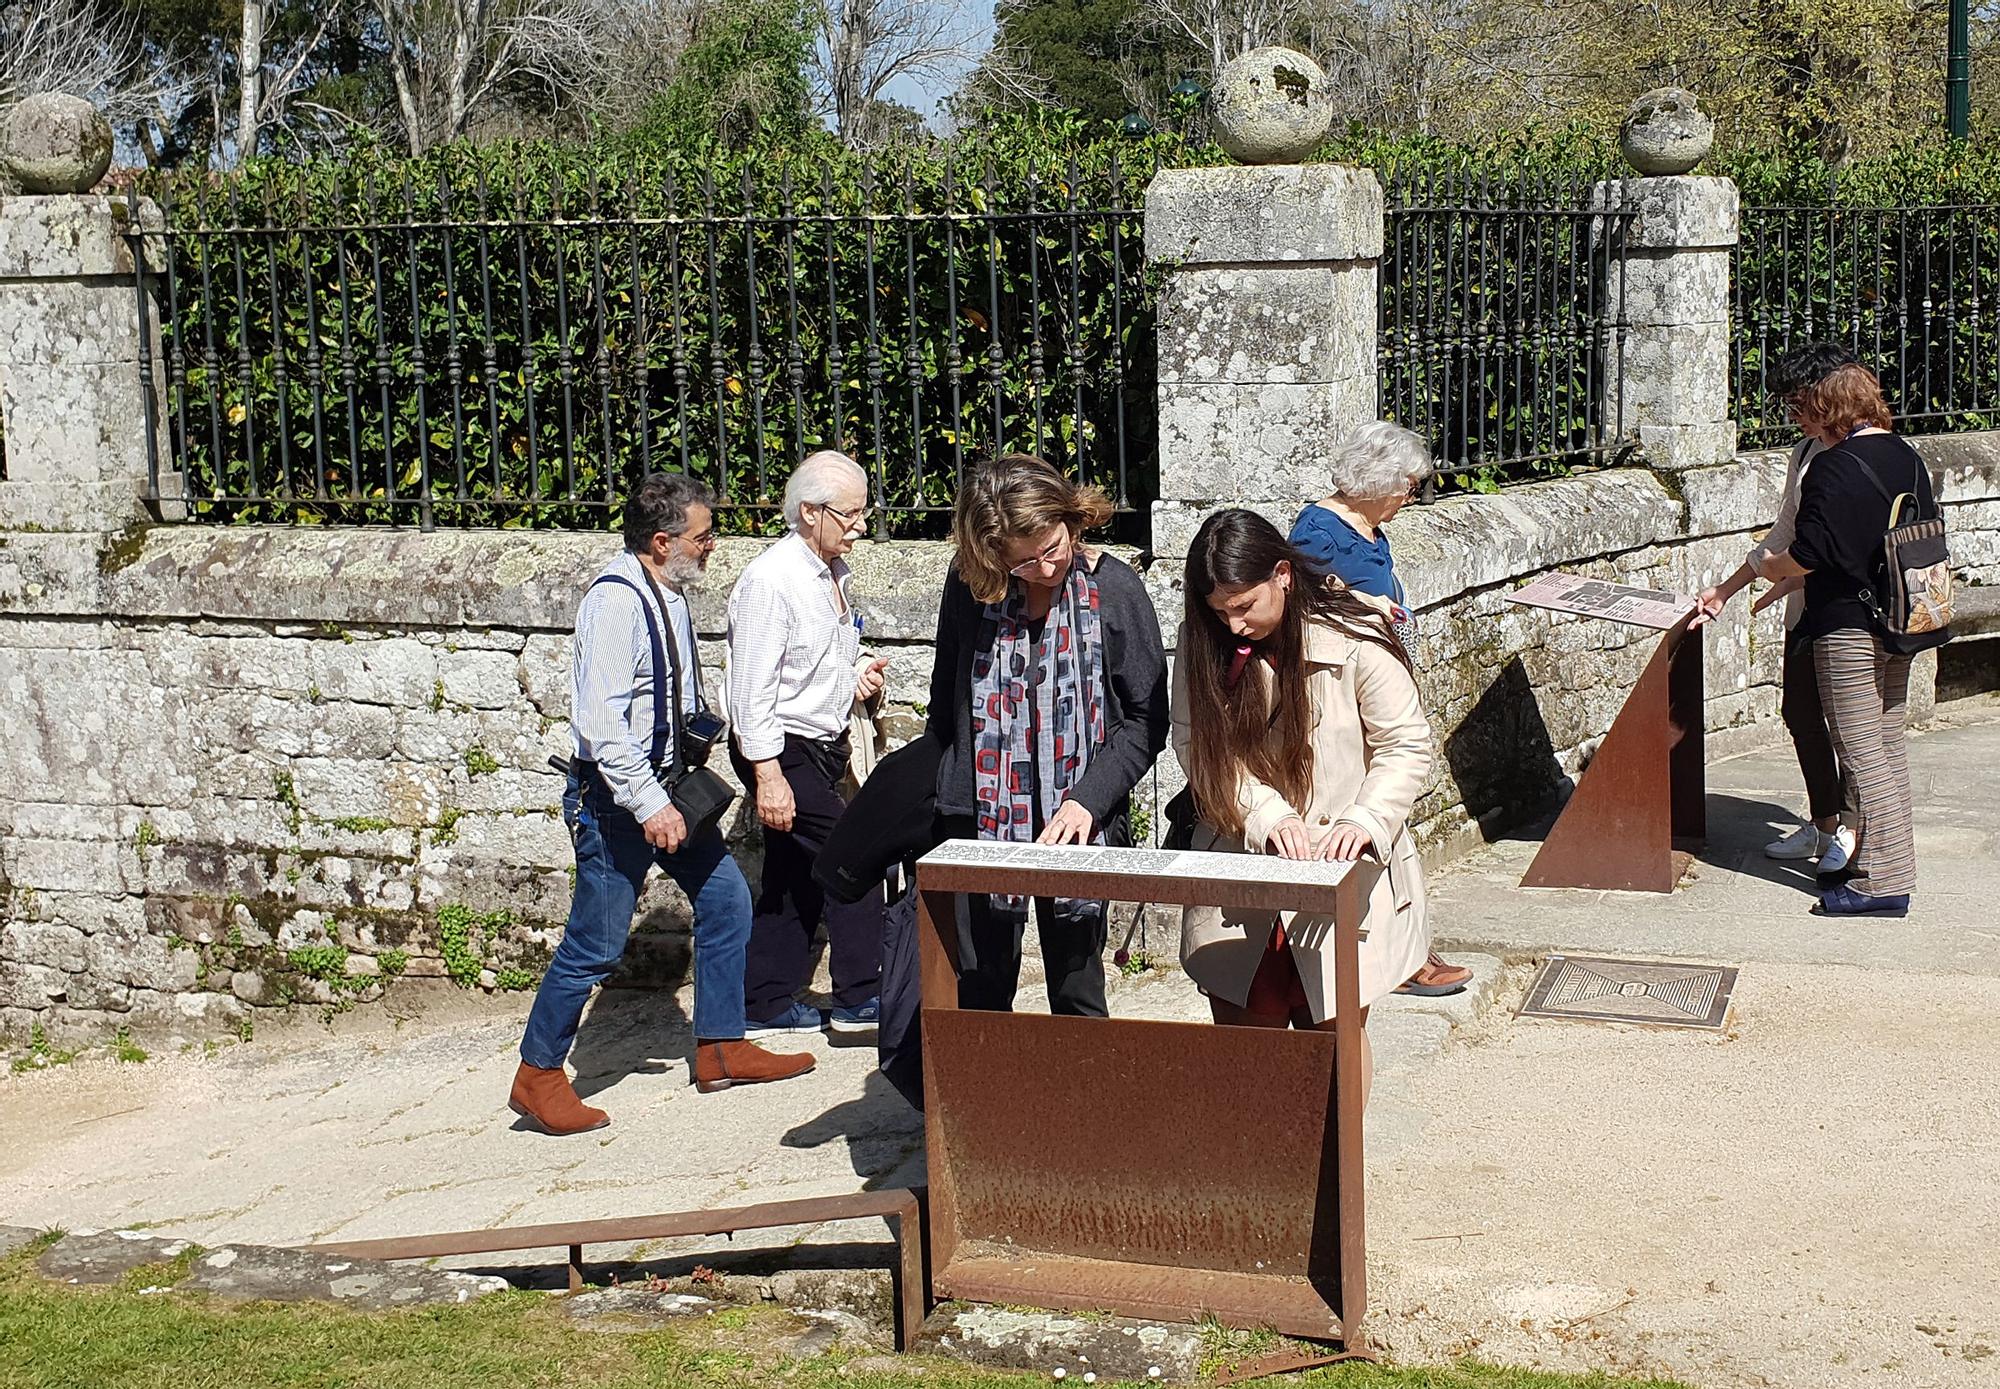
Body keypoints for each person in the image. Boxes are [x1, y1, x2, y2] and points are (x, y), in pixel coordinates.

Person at [510, 472, 814, 1136]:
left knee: (726, 897)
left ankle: (720, 1045)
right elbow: (602, 724)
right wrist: (650, 804)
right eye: (703, 536)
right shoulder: (614, 604)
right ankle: (537, 1075)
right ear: (660, 540)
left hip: (666, 790)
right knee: (594, 943)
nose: (712, 546)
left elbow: (665, 697)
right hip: (619, 801)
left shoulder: (669, 593)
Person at [1172, 509, 1433, 1096]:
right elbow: (1195, 744)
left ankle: (1336, 1179)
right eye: (1220, 611)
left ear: (1283, 575)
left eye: (1244, 605)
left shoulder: (1360, 630)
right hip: (1241, 863)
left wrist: (1364, 821)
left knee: (1334, 1038)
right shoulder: (1203, 636)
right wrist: (1265, 816)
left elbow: (1406, 743)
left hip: (1347, 870)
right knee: (1247, 1041)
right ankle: (1261, 1175)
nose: (1234, 624)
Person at [925, 453, 1170, 1015]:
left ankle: (1085, 1104)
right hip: (981, 819)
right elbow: (947, 704)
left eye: (1052, 548)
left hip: (1081, 822)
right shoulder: (970, 587)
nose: (1044, 568)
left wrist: (1089, 800)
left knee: (1076, 990)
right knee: (979, 988)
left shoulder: (1115, 589)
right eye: (1023, 563)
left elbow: (1146, 718)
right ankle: (984, 1103)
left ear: (1071, 519)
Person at [1739, 363, 1935, 918]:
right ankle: (1890, 867)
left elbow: (1808, 553)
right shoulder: (1906, 456)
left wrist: (1774, 566)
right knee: (1887, 746)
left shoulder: (1832, 467)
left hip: (1847, 623)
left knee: (1860, 751)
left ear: (1829, 409)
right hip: (1900, 621)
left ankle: (1881, 884)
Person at [1288, 419, 1469, 998]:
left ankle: (1407, 945)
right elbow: (1306, 595)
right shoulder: (1319, 531)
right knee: (1375, 812)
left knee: (1393, 815)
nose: (1411, 495)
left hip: (1381, 675)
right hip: (1346, 692)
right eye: (1408, 484)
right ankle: (1402, 955)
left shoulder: (1365, 524)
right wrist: (1365, 601)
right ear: (1377, 479)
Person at [726, 450, 888, 1037]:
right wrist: (768, 775)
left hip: (816, 746)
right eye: (850, 514)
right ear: (810, 512)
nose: (860, 525)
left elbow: (815, 668)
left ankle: (764, 1003)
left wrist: (858, 675)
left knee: (794, 876)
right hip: (781, 748)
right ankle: (860, 997)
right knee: (854, 857)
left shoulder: (830, 575)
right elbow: (751, 689)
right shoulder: (774, 580)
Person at [1693, 344, 1858, 874]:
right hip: (1808, 609)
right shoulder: (1807, 453)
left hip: (1854, 613)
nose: (1789, 411)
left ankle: (1854, 829)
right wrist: (1727, 588)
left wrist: (1789, 575)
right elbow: (1784, 533)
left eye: (1796, 399)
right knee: (1802, 713)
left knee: (1854, 726)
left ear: (1826, 394)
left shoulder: (1866, 452)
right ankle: (1825, 822)